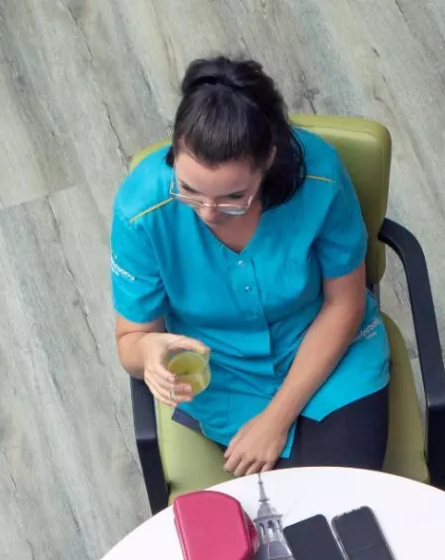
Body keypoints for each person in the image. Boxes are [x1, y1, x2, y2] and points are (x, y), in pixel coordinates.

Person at [111, 55, 391, 477]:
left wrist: (275, 420)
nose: (208, 212)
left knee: (337, 502)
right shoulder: (141, 211)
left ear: (268, 161)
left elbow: (344, 303)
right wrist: (148, 351)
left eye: (232, 197)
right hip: (224, 376)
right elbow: (131, 339)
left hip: (331, 355)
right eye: (188, 190)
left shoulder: (320, 179)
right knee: (275, 514)